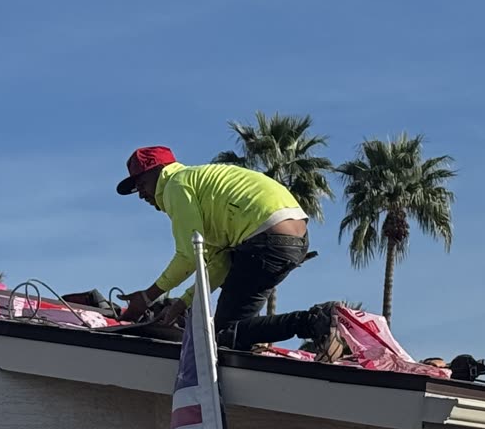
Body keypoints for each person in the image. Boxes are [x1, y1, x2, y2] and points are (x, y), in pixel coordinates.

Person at [114, 146, 328, 350]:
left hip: (264, 238)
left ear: (160, 171)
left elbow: (187, 256)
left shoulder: (175, 185)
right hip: (292, 240)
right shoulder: (204, 193)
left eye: (141, 183)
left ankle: (316, 321)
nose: (141, 194)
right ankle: (319, 324)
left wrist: (146, 297)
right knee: (235, 333)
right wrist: (183, 303)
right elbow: (219, 265)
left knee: (224, 333)